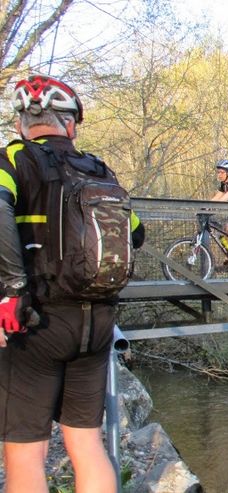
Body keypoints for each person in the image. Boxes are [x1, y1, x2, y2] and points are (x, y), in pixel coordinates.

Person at [0, 74, 144, 492]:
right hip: (96, 323)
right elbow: (136, 233)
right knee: (86, 444)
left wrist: (11, 290)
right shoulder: (98, 170)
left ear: (20, 123)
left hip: (36, 322)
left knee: (25, 455)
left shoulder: (13, 160)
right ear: (71, 125)